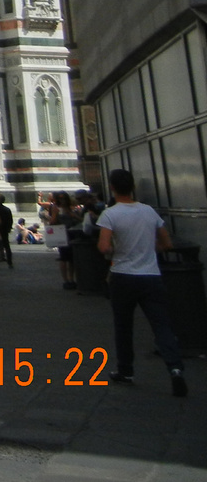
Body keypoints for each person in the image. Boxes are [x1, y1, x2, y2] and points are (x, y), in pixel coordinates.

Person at [97, 168, 186, 395]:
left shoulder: (110, 214)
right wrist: (147, 249)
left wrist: (119, 252)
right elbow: (167, 244)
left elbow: (104, 247)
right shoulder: (149, 212)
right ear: (133, 187)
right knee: (161, 325)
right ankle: (175, 369)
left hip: (123, 277)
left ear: (113, 188)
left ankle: (125, 371)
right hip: (151, 277)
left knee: (124, 326)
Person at [48, 190, 77, 289]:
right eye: (60, 198)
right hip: (62, 235)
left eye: (64, 198)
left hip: (71, 233)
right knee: (64, 258)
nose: (63, 200)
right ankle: (66, 280)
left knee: (72, 259)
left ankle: (72, 279)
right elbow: (52, 223)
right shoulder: (56, 208)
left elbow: (78, 219)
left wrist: (74, 215)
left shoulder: (70, 208)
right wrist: (55, 215)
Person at [0, 192, 15, 270]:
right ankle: (10, 262)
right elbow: (10, 221)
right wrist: (8, 228)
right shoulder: (7, 209)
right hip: (4, 230)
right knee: (7, 247)